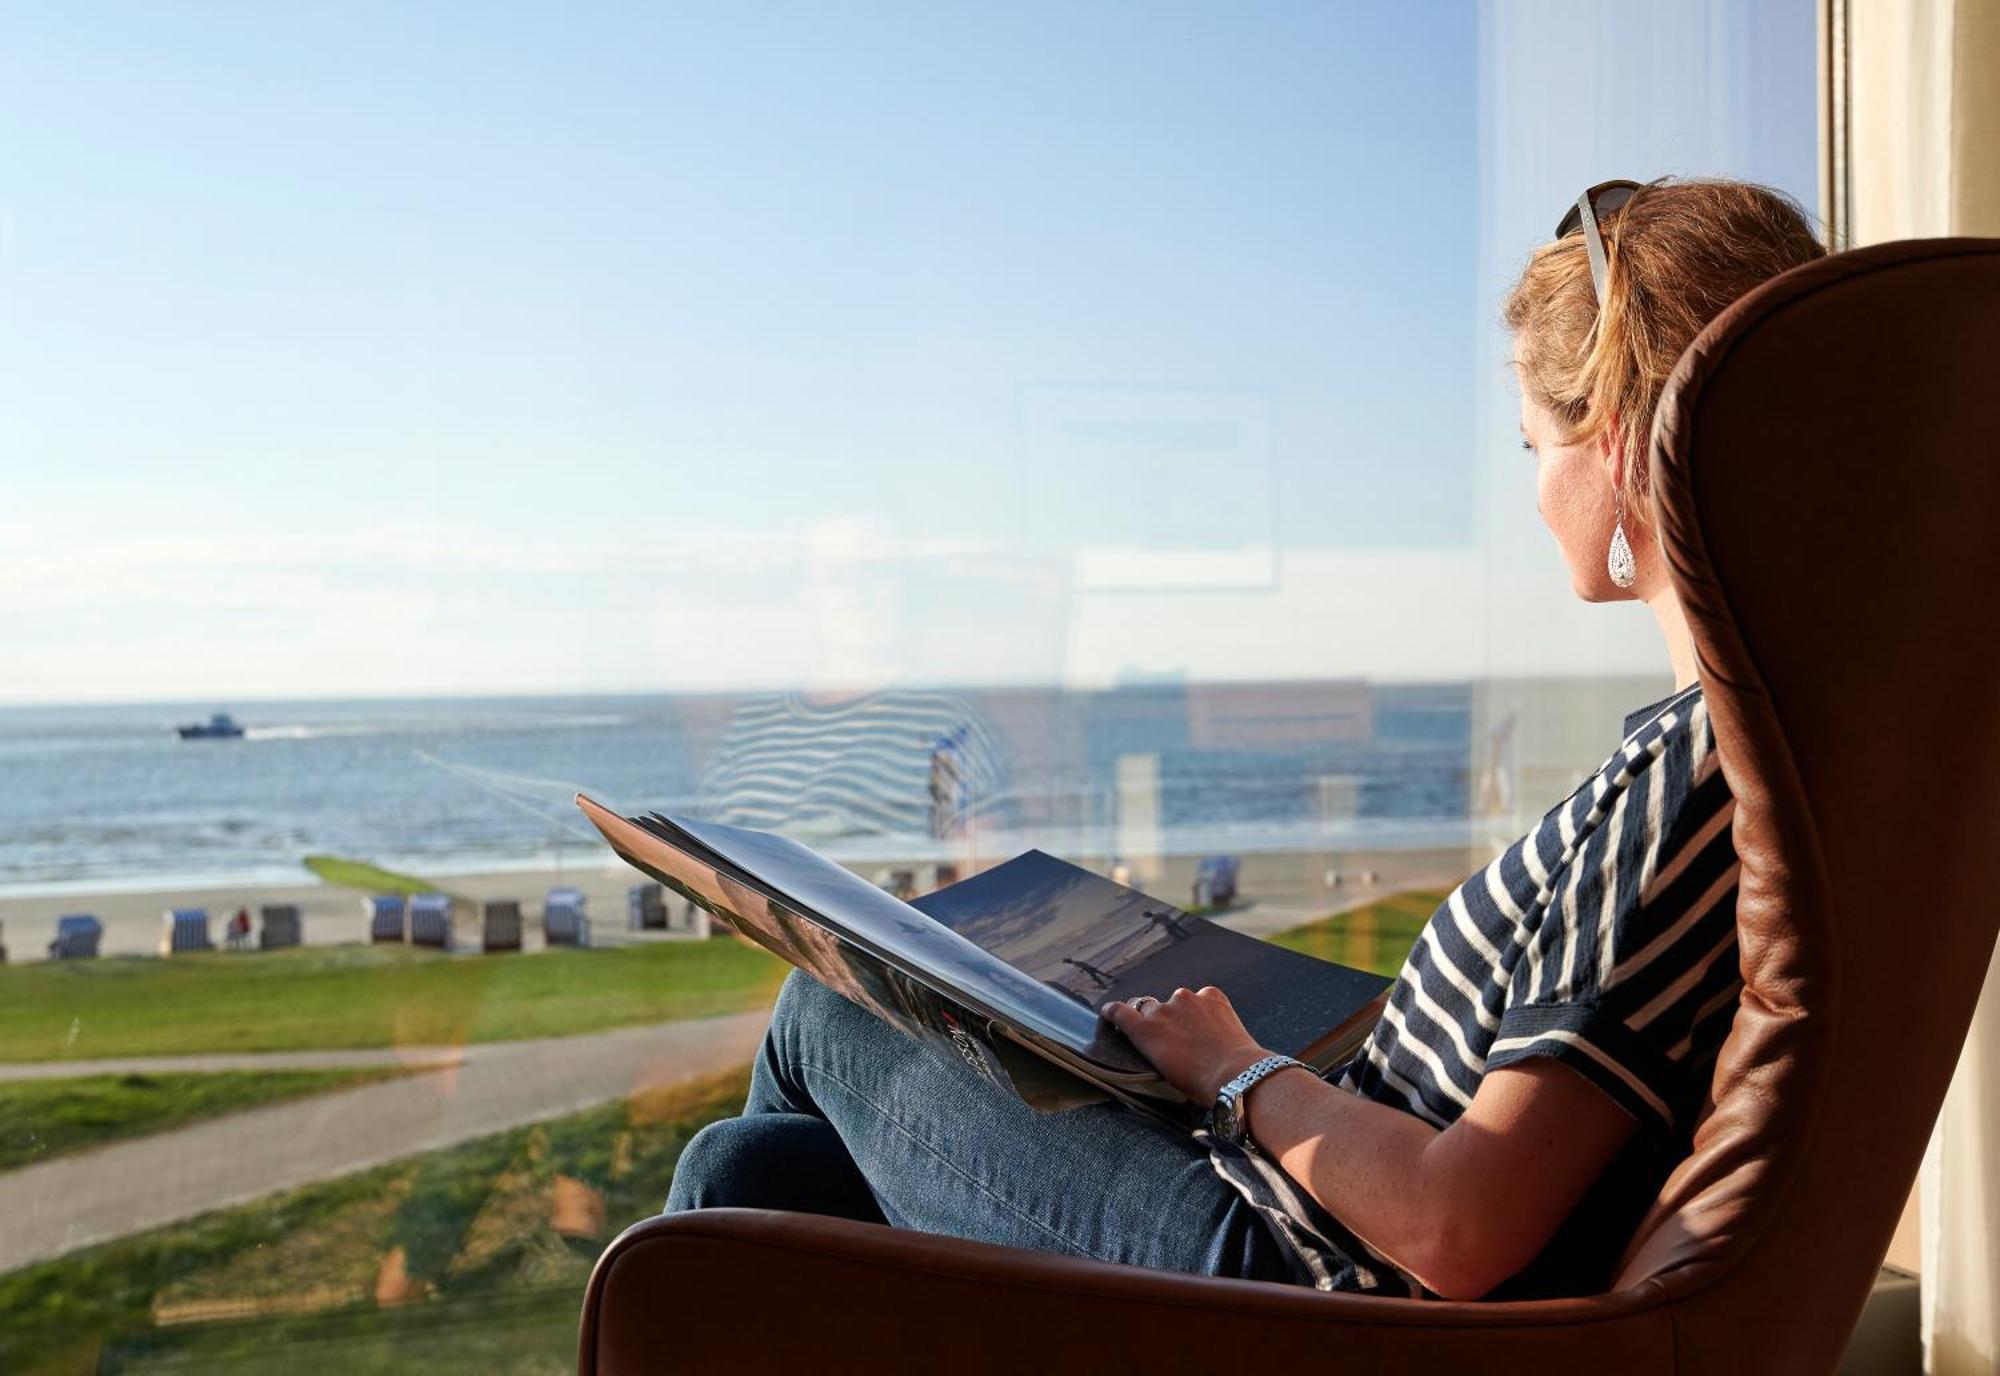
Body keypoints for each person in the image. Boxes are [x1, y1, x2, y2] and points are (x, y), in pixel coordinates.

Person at [663, 176, 1828, 1301]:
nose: (1529, 495)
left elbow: (1458, 1223)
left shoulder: (1686, 785)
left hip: (1292, 1275)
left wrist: (1232, 1065)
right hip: (1299, 1205)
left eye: (1533, 448)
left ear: (1618, 443)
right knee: (741, 1181)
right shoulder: (1745, 752)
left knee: (831, 1002)